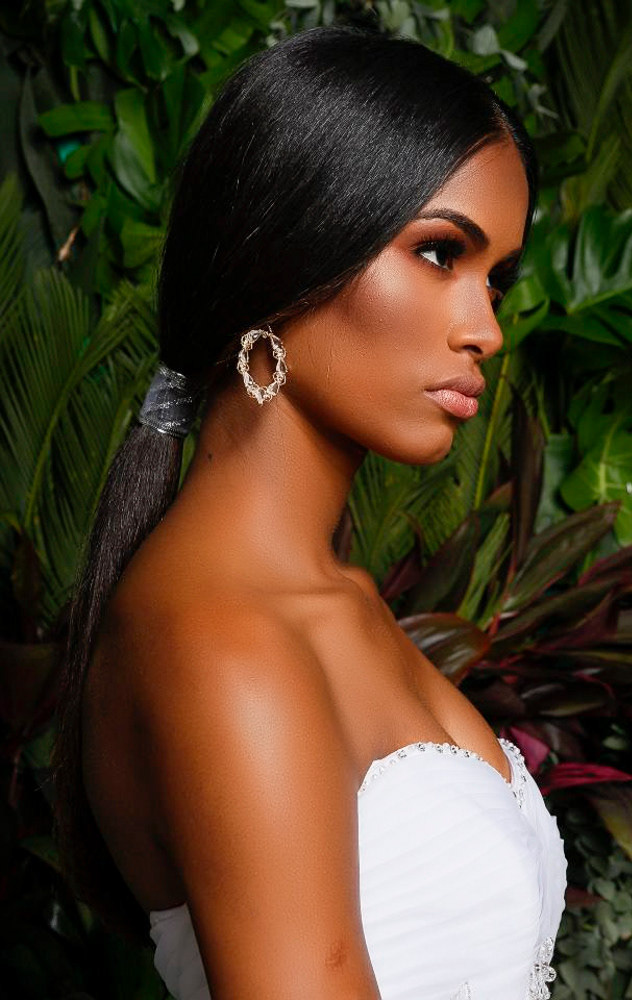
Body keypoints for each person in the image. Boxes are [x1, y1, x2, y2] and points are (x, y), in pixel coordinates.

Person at [52, 23, 568, 1000]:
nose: (486, 330)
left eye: (494, 278)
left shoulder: (330, 594)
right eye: (438, 253)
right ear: (282, 257)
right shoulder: (220, 640)